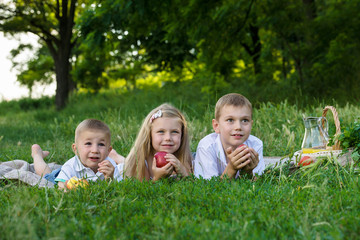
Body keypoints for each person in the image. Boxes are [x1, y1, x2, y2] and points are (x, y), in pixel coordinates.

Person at [31, 119, 121, 189]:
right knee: (46, 175)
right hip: (65, 176)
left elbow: (118, 187)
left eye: (101, 144)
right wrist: (68, 187)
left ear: (108, 151)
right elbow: (61, 186)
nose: (95, 150)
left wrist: (110, 177)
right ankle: (37, 154)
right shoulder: (71, 166)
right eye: (88, 143)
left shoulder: (110, 166)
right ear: (76, 149)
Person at [193, 93, 265, 180]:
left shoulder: (255, 144)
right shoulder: (207, 146)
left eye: (245, 120)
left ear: (251, 124)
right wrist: (231, 168)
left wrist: (248, 172)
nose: (238, 127)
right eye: (230, 120)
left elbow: (257, 183)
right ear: (216, 126)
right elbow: (210, 188)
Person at [123, 103, 193, 181]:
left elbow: (194, 188)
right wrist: (157, 178)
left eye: (174, 132)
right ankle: (116, 157)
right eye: (161, 131)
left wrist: (184, 173)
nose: (168, 138)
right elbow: (141, 191)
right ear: (149, 134)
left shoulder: (185, 159)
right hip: (121, 169)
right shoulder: (141, 161)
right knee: (122, 163)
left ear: (182, 135)